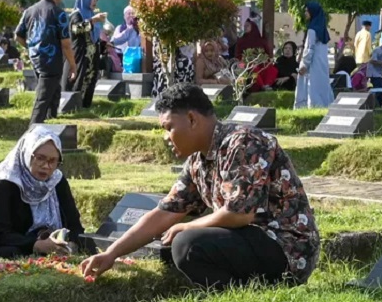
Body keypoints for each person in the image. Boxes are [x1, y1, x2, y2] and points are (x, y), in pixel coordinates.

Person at [81, 84, 320, 289]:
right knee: (184, 243)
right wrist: (111, 253)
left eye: (168, 128)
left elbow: (239, 214)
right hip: (251, 242)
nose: (166, 137)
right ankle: (243, 293)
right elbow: (164, 212)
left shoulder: (244, 142)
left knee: (188, 244)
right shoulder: (198, 160)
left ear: (192, 119)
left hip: (286, 248)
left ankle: (244, 296)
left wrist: (187, 226)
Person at [0, 127, 83, 259]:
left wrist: (69, 244)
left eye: (53, 161)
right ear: (27, 153)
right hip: (13, 246)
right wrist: (38, 245)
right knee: (10, 252)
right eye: (40, 158)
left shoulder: (56, 180)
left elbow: (75, 225)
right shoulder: (2, 183)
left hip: (52, 246)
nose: (46, 166)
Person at [15, 0, 76, 125]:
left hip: (36, 59)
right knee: (42, 99)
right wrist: (73, 65)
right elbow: (66, 44)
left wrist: (32, 48)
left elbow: (18, 36)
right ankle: (33, 130)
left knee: (54, 91)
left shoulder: (29, 11)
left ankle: (52, 121)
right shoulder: (58, 13)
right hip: (51, 60)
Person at [64, 0, 104, 108]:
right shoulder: (77, 14)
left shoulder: (90, 14)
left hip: (91, 57)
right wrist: (92, 21)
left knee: (90, 81)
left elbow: (92, 36)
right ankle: (73, 106)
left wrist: (103, 44)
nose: (94, 1)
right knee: (78, 81)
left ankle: (85, 106)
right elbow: (76, 29)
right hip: (80, 56)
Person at [294, 0, 334, 109]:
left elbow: (309, 48)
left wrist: (304, 65)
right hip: (322, 63)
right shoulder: (322, 29)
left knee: (311, 88)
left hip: (313, 63)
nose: (305, 13)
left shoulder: (312, 30)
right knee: (322, 86)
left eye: (307, 11)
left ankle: (311, 108)